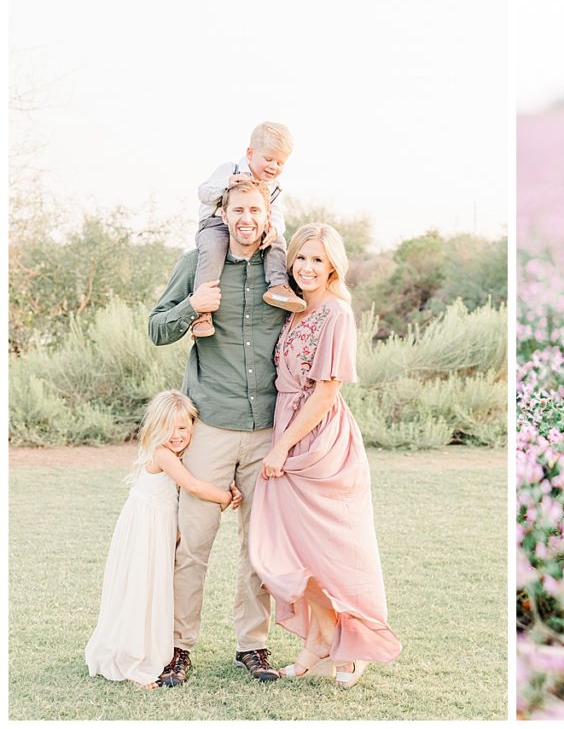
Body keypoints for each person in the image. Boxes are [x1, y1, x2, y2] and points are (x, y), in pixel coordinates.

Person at [149, 180, 288, 686]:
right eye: (238, 209)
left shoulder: (282, 268)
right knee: (194, 546)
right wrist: (192, 307)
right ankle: (178, 647)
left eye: (256, 209)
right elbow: (156, 327)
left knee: (259, 546)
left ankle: (252, 646)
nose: (247, 218)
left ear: (268, 215)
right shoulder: (197, 264)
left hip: (269, 430)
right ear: (223, 214)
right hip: (210, 426)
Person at [250, 223, 402, 688]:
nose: (307, 267)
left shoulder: (336, 313)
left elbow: (324, 393)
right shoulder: (294, 313)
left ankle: (352, 648)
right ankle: (319, 639)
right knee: (290, 550)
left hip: (318, 440)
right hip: (285, 425)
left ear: (333, 263)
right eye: (300, 258)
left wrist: (280, 447)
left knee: (336, 549)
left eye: (317, 259)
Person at [85, 390, 242, 689]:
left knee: (156, 588)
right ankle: (132, 662)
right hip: (146, 528)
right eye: (169, 428)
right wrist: (226, 496)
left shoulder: (179, 454)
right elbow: (193, 486)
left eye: (183, 427)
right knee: (142, 590)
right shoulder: (162, 454)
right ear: (156, 428)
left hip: (158, 526)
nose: (176, 435)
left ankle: (147, 649)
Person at [192, 121, 305, 338]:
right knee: (213, 249)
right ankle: (203, 311)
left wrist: (274, 230)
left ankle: (278, 286)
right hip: (216, 224)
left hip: (252, 227)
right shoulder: (230, 169)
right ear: (250, 153)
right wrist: (227, 183)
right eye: (269, 159)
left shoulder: (273, 187)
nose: (274, 166)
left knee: (278, 239)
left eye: (280, 162)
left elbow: (277, 214)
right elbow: (203, 193)